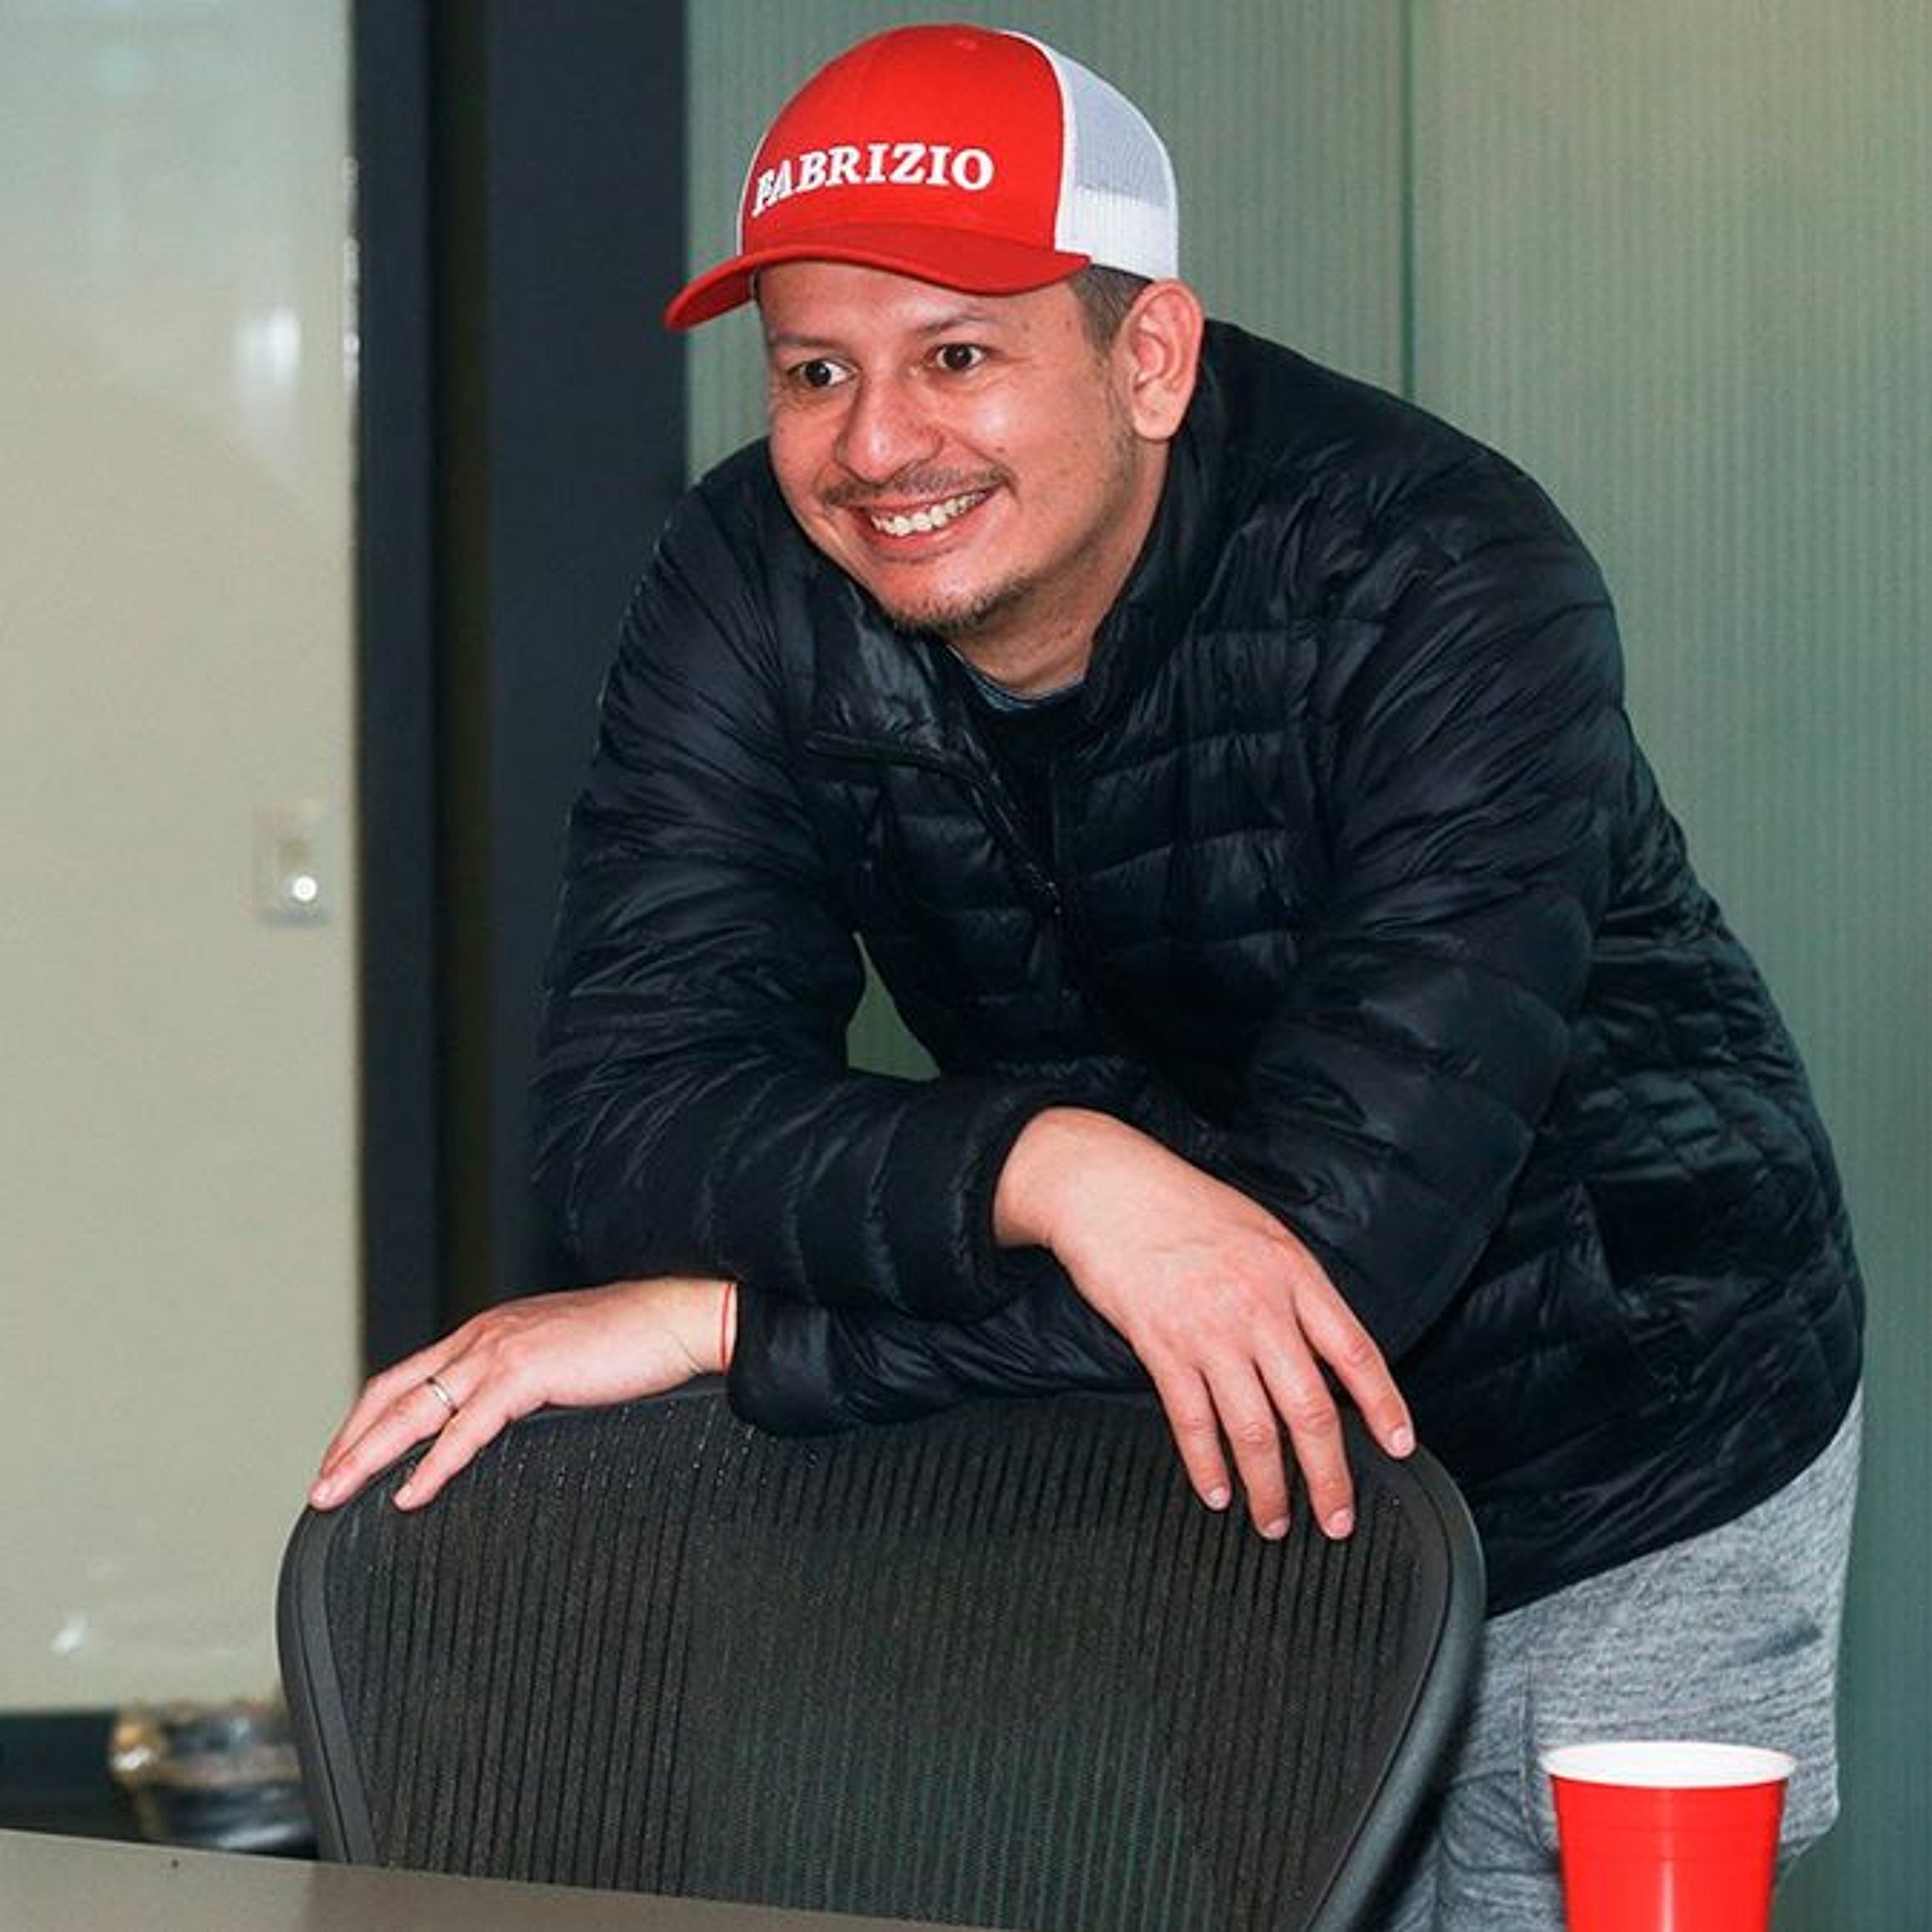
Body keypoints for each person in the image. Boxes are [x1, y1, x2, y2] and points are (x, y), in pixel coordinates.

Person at [313, 24, 1864, 1927]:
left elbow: (1327, 1266)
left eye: (957, 355)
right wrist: (1047, 1167)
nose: (877, 447)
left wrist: (743, 1331)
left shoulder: (1442, 570)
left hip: (1629, 1415)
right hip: (1214, 1450)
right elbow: (632, 1116)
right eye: (816, 370)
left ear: (1151, 358)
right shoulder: (749, 577)